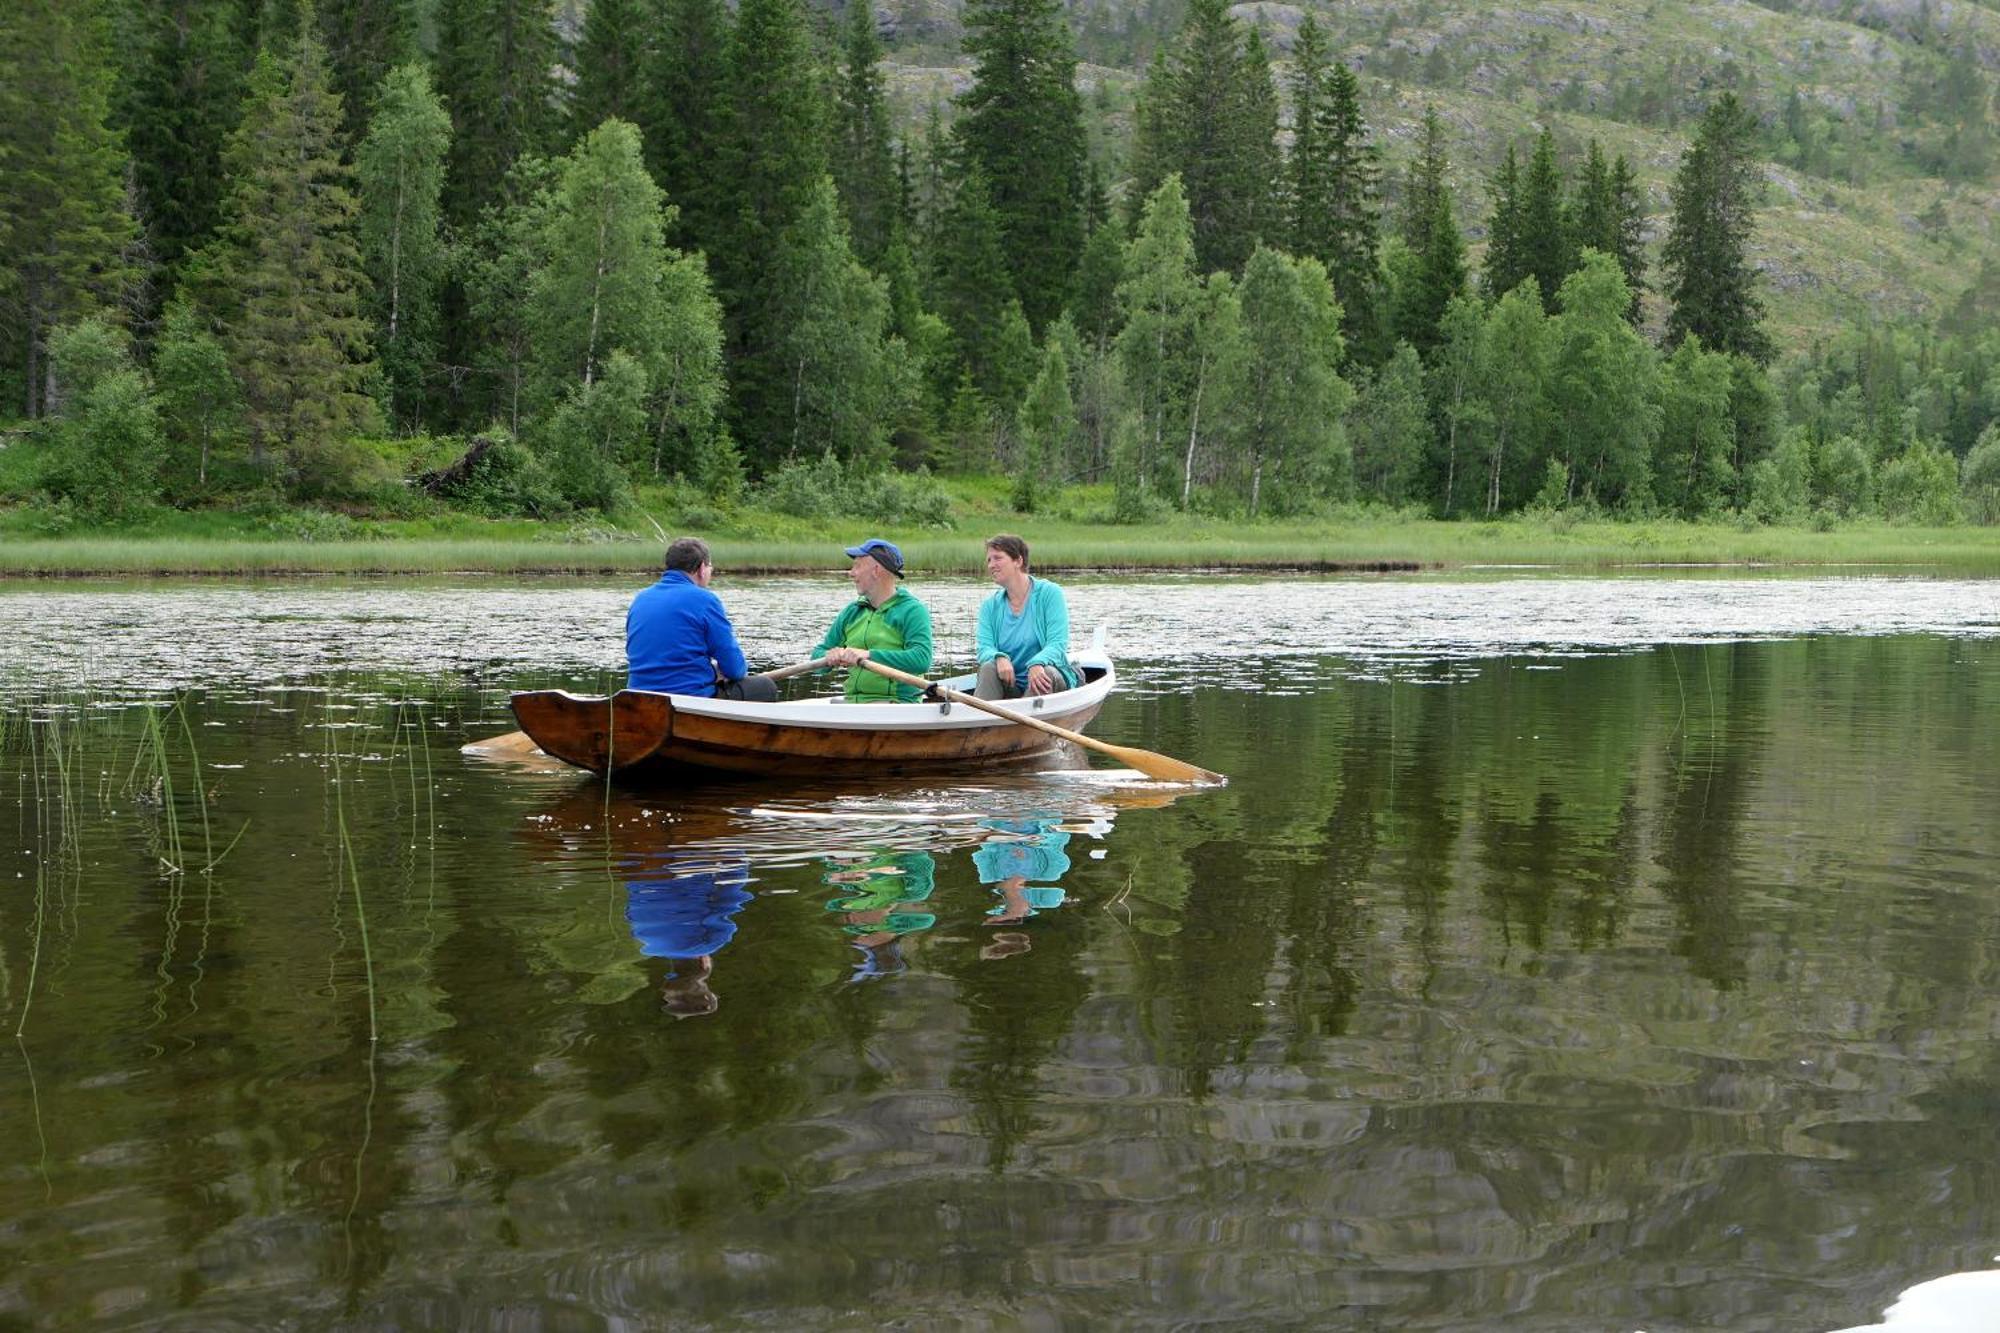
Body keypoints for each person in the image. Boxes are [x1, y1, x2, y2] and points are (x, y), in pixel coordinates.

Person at [625, 536, 778, 701]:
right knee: (765, 687)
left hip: (638, 697)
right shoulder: (705, 600)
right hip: (687, 698)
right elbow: (735, 669)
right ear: (702, 568)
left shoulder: (640, 599)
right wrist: (718, 672)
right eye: (710, 566)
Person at [623, 852, 755, 1018]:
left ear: (705, 963)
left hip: (689, 858)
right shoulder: (643, 940)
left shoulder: (710, 942)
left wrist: (740, 853)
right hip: (638, 859)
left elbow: (734, 883)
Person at [814, 538, 934, 703]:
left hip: (896, 705)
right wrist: (828, 657)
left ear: (876, 570)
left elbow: (921, 659)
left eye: (857, 566)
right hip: (853, 704)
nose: (851, 573)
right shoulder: (852, 612)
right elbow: (816, 657)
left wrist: (869, 655)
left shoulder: (912, 611)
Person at [975, 534, 1078, 700]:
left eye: (998, 558)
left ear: (1018, 561)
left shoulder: (1050, 593)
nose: (991, 565)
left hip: (1047, 678)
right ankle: (980, 723)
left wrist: (1037, 663)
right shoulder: (989, 606)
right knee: (988, 667)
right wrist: (999, 657)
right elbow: (983, 648)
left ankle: (1025, 724)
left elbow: (1057, 644)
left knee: (1046, 673)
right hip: (1011, 686)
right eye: (988, 560)